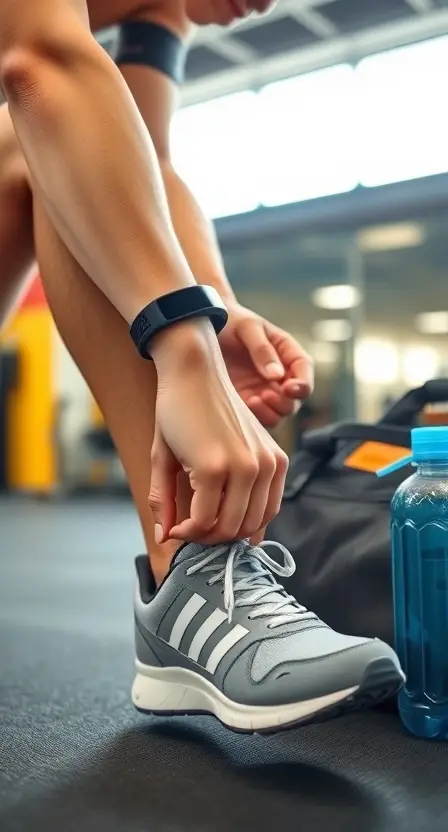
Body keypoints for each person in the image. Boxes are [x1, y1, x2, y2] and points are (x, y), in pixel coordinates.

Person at [0, 0, 403, 732]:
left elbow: (139, 160)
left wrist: (214, 309)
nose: (267, 4)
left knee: (74, 147)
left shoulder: (165, 11)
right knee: (46, 133)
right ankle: (192, 580)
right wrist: (184, 346)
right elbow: (40, 65)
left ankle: (189, 583)